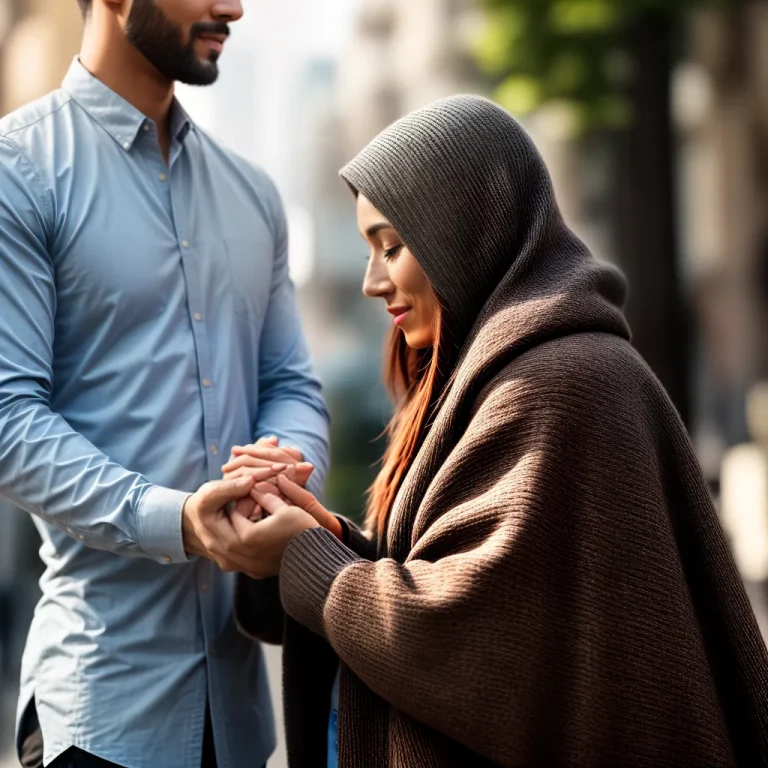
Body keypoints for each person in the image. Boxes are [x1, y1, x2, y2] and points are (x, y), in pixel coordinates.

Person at [228, 95, 768, 767]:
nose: (372, 281)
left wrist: (307, 559)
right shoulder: (495, 376)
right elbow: (470, 585)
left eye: (392, 247)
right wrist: (326, 537)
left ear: (464, 231)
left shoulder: (562, 384)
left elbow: (476, 645)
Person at [0, 0, 330, 766]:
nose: (234, 7)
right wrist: (176, 519)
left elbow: (290, 382)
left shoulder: (254, 196)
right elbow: (9, 418)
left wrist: (280, 473)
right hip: (102, 715)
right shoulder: (17, 175)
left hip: (247, 723)